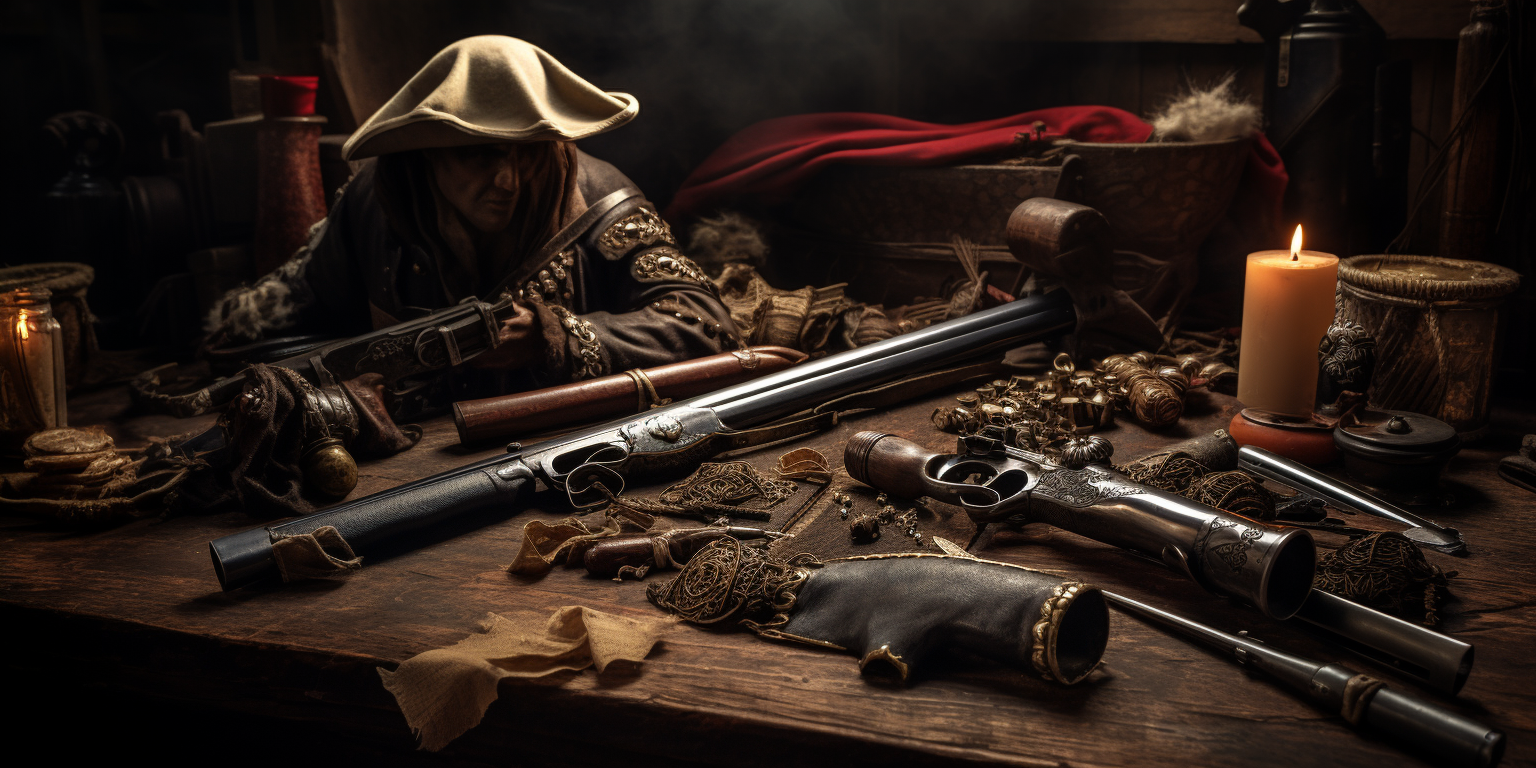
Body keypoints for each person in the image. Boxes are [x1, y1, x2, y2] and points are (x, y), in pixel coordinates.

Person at [206, 35, 739, 387]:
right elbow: (306, 313)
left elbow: (705, 323)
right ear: (430, 151)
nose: (507, 181)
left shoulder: (605, 204)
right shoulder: (374, 200)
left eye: (526, 152)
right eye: (479, 154)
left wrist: (555, 337)